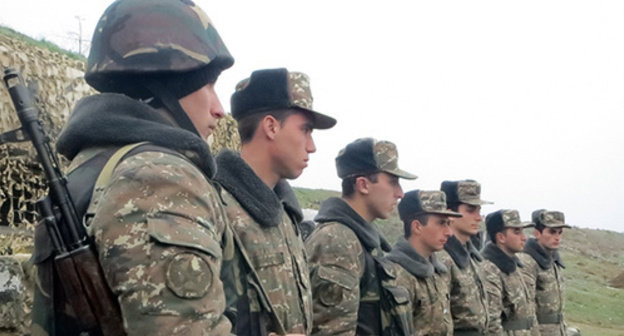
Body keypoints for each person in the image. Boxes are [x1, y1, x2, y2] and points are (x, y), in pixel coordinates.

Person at [31, 0, 235, 334]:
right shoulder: (160, 177)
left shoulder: (92, 166)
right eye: (209, 85)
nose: (219, 109)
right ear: (168, 83)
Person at [214, 68, 336, 335]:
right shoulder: (214, 208)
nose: (312, 146)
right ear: (271, 126)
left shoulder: (287, 217)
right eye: (305, 130)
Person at [305, 137, 416, 335]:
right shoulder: (337, 240)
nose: (400, 193)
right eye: (393, 182)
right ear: (363, 185)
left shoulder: (363, 241)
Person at [386, 190, 461, 335]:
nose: (449, 232)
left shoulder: (438, 272)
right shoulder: (396, 274)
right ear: (417, 227)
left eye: (448, 224)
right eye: (441, 223)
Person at [437, 180, 491, 335]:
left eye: (479, 211)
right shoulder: (443, 259)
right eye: (470, 210)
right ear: (450, 213)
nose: (478, 218)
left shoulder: (472, 257)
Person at [482, 210, 537, 336]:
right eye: (516, 232)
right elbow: (491, 323)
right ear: (501, 237)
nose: (524, 237)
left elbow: (529, 316)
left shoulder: (514, 266)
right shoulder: (489, 269)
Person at [518, 210, 571, 336]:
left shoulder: (553, 261)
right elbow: (526, 308)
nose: (557, 237)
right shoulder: (528, 262)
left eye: (560, 232)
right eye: (552, 232)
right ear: (537, 233)